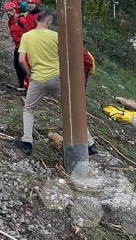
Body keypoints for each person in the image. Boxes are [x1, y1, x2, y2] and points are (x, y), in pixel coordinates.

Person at [13, 11, 97, 156]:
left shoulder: (26, 36)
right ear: (48, 22)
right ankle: (90, 144)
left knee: (29, 109)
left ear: (36, 21)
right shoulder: (56, 36)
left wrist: (28, 74)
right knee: (72, 110)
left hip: (38, 79)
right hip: (58, 79)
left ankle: (27, 143)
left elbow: (21, 60)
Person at [5, 1, 26, 91]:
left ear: (14, 10)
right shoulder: (10, 21)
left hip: (25, 47)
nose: (8, 12)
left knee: (24, 65)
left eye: (10, 10)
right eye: (7, 11)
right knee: (17, 65)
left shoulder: (20, 20)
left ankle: (28, 85)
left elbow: (28, 30)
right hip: (18, 46)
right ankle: (22, 84)